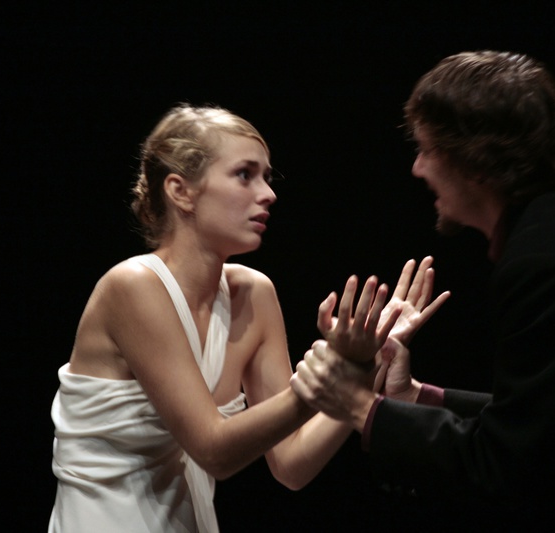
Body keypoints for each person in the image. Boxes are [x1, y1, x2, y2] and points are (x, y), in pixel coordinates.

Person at [291, 51, 555, 531]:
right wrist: (411, 396)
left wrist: (357, 404)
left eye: (426, 149)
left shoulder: (549, 259)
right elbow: (548, 422)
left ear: (476, 160)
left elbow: (504, 468)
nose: (417, 168)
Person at [47, 104, 442, 532]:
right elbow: (214, 451)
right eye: (244, 174)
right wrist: (332, 373)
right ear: (181, 191)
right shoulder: (134, 286)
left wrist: (367, 365)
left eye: (267, 177)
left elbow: (292, 463)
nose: (268, 193)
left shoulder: (254, 293)